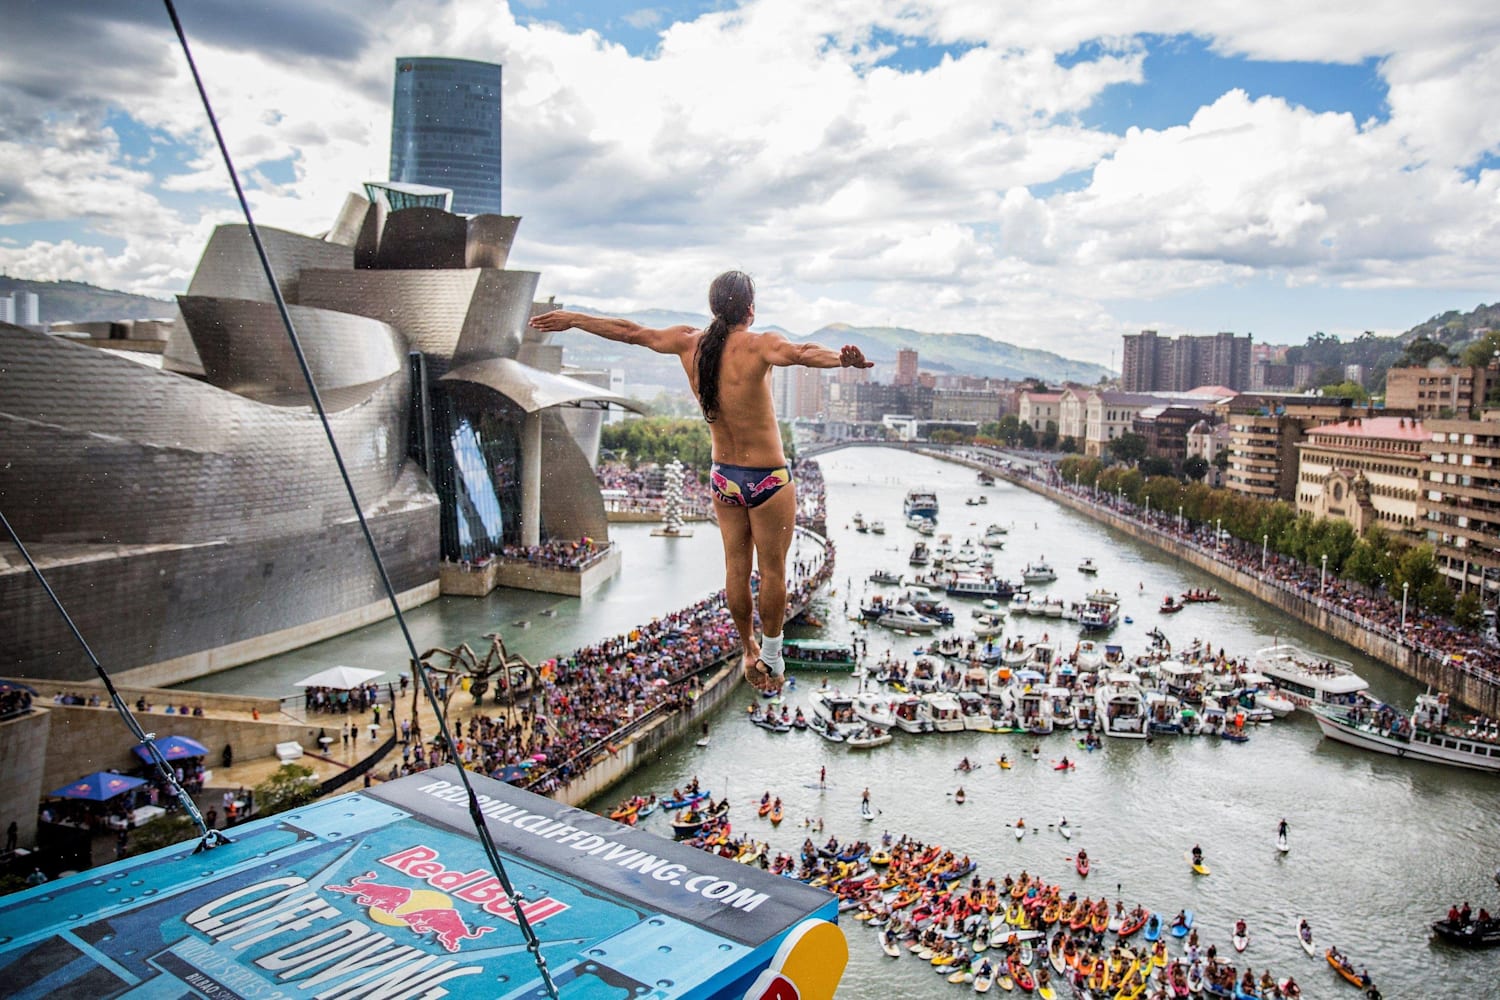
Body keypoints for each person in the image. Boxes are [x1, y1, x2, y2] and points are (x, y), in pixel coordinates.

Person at [530, 272, 870, 692]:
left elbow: (630, 331)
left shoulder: (690, 343)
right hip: (768, 478)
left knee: (736, 569)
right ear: (749, 308)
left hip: (724, 477)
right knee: (774, 570)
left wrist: (576, 318)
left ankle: (746, 647)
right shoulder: (759, 344)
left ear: (713, 307)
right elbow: (801, 352)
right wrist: (842, 359)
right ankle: (772, 656)